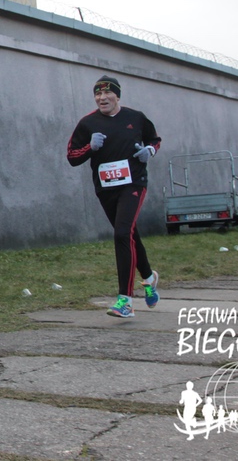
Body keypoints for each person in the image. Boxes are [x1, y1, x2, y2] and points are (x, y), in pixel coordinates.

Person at [67, 74, 161, 318]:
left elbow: (154, 139)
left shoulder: (135, 117)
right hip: (106, 188)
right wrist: (90, 147)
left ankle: (125, 301)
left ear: (117, 96)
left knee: (121, 233)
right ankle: (149, 277)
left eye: (107, 93)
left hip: (134, 184)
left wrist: (149, 151)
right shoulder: (87, 123)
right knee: (129, 234)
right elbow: (72, 157)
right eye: (98, 94)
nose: (102, 97)